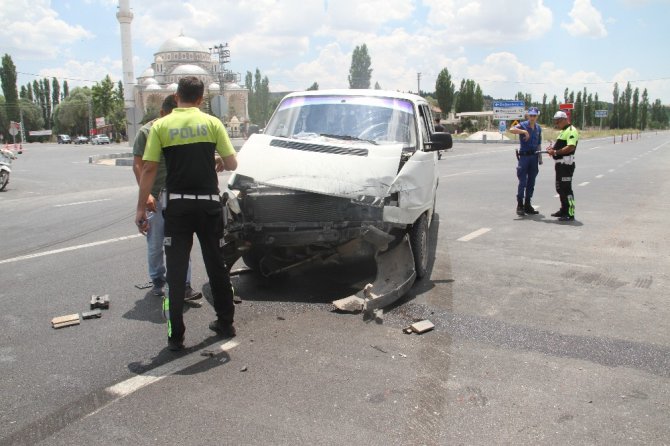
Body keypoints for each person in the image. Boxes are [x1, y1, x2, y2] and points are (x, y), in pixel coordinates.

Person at [135, 76, 238, 351]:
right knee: (216, 264)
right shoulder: (213, 123)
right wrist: (214, 158)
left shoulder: (162, 125)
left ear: (176, 96)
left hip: (177, 208)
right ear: (201, 99)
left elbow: (148, 168)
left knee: (177, 271)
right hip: (208, 206)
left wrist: (140, 207)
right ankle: (226, 323)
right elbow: (231, 163)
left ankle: (175, 335)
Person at [132, 95, 202, 301]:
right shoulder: (146, 132)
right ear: (162, 113)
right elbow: (139, 165)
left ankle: (184, 285)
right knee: (155, 245)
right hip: (156, 196)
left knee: (181, 242)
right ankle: (158, 280)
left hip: (179, 195)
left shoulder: (180, 129)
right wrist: (146, 197)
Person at [547, 110, 579, 221]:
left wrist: (555, 152)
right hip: (560, 164)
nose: (556, 124)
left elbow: (571, 147)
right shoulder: (563, 131)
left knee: (566, 189)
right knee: (560, 188)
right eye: (555, 122)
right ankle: (563, 209)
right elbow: (560, 146)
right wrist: (552, 150)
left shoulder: (571, 130)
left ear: (565, 119)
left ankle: (570, 212)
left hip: (566, 164)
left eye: (558, 121)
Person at [509, 107, 542, 216]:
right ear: (527, 115)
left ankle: (528, 204)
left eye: (534, 115)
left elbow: (538, 143)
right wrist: (523, 131)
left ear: (537, 116)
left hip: (534, 157)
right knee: (522, 181)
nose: (532, 117)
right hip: (524, 157)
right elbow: (511, 129)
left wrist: (540, 158)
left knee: (531, 182)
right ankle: (520, 204)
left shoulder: (538, 128)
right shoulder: (523, 125)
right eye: (530, 115)